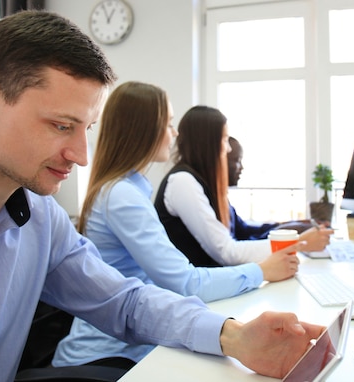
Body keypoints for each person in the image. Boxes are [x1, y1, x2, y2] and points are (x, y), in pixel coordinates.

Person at [0, 10, 325, 382]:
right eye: (61, 126)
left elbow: (123, 301)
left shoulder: (41, 218)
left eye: (87, 129)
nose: (81, 156)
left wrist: (234, 337)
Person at [51, 81, 304, 369]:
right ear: (144, 130)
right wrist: (261, 271)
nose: (174, 134)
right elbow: (185, 282)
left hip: (132, 341)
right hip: (106, 356)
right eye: (169, 124)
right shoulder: (122, 196)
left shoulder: (129, 190)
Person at [155, 106, 332, 267]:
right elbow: (227, 252)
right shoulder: (182, 182)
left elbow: (241, 232)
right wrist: (301, 242)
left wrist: (293, 228)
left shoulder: (200, 184)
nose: (229, 149)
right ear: (207, 144)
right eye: (224, 140)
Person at [227, 136, 316, 240]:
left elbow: (244, 230)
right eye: (237, 160)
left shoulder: (224, 202)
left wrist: (286, 225)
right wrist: (283, 233)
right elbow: (237, 248)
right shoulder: (211, 203)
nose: (242, 167)